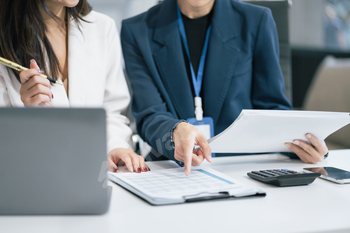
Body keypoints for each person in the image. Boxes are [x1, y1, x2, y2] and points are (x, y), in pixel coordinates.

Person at [120, 0, 329, 175]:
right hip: (173, 169)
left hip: (243, 169)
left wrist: (304, 148)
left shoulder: (256, 22)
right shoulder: (137, 31)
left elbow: (273, 109)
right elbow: (149, 115)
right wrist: (174, 131)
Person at [0, 0, 149, 173]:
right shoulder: (5, 40)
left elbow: (112, 112)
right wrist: (28, 117)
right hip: (34, 178)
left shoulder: (101, 27)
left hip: (98, 177)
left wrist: (114, 147)